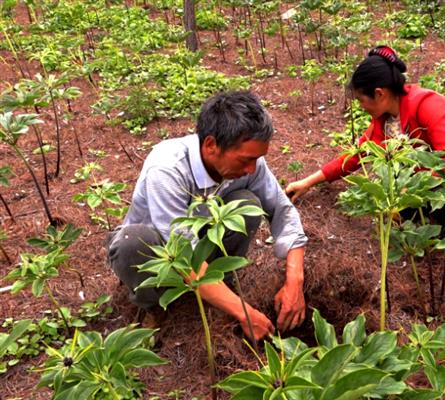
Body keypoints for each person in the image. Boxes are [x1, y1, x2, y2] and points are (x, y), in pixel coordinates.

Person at [107, 91, 307, 340]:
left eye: (257, 159)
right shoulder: (167, 169)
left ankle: (219, 284)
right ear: (211, 145)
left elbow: (281, 210)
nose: (251, 169)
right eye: (246, 160)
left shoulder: (249, 164)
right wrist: (244, 313)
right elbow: (182, 254)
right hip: (161, 252)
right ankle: (155, 306)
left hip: (200, 245)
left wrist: (295, 280)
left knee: (248, 204)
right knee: (132, 241)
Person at [286, 45, 445, 225]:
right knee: (402, 205)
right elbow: (357, 155)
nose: (361, 107)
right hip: (432, 187)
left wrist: (406, 193)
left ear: (379, 94)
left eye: (362, 100)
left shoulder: (429, 105)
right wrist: (308, 182)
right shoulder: (385, 119)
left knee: (436, 203)